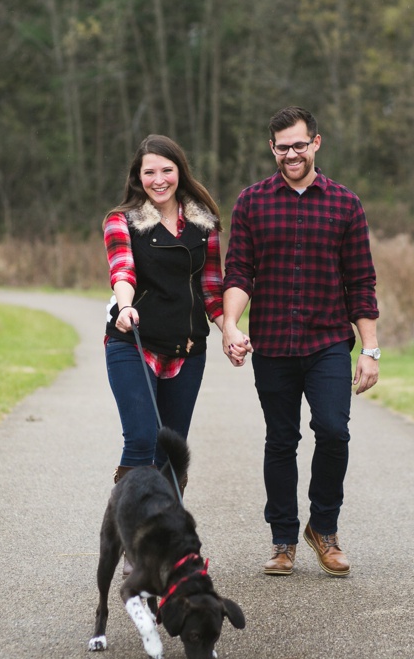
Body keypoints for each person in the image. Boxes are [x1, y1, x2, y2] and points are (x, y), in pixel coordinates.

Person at [220, 106, 381, 579]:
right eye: (282, 146)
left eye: (299, 144)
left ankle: (324, 529)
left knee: (333, 431)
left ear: (316, 143)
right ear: (272, 148)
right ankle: (284, 540)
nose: (291, 153)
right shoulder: (251, 203)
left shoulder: (345, 204)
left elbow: (361, 282)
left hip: (329, 340)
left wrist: (369, 349)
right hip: (271, 343)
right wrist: (231, 325)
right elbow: (239, 271)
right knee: (281, 440)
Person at [102, 134, 229, 492]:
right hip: (134, 342)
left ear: (180, 172)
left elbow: (210, 289)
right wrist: (125, 305)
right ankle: (130, 530)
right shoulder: (121, 220)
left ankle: (169, 543)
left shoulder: (205, 224)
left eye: (167, 170)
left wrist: (229, 329)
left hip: (187, 347)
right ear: (137, 177)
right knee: (142, 440)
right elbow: (122, 269)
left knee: (171, 452)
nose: (159, 180)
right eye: (149, 172)